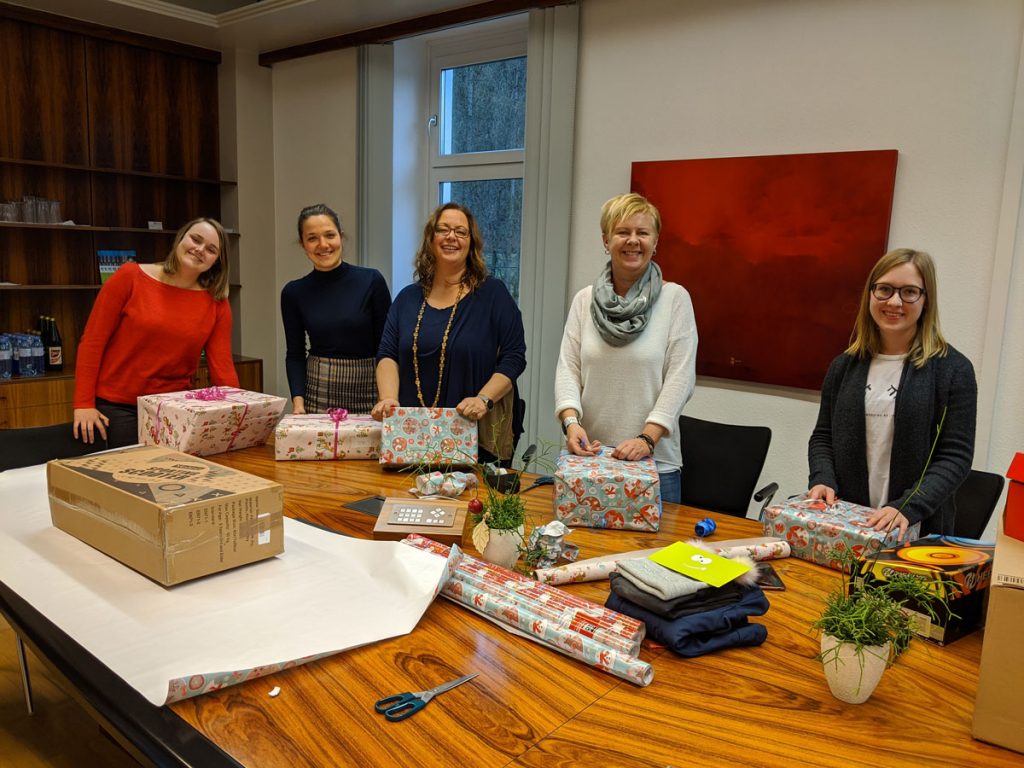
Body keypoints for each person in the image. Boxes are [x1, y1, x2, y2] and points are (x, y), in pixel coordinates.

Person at [808, 248, 977, 539]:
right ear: (870, 295)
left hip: (915, 531)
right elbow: (823, 436)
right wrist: (822, 478)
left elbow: (955, 457)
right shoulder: (843, 366)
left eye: (909, 292)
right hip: (848, 528)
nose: (894, 301)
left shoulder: (953, 370)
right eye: (884, 289)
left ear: (926, 300)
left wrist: (907, 507)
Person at [554, 192, 698, 504]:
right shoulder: (584, 300)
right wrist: (570, 422)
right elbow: (568, 368)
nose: (633, 241)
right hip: (589, 457)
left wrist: (648, 438)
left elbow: (680, 378)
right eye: (622, 232)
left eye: (642, 232)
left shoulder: (675, 300)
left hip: (655, 464)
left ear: (655, 241)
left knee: (652, 554)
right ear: (606, 241)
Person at [371, 202, 526, 465]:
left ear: (471, 243)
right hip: (412, 436)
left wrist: (483, 399)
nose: (451, 236)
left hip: (475, 436)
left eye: (460, 231)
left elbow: (514, 357)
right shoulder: (407, 299)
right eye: (443, 229)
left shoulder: (493, 294)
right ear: (431, 240)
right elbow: (387, 354)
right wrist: (388, 398)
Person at [73, 217, 239, 448]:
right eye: (195, 239)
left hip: (175, 408)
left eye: (211, 249)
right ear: (181, 238)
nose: (200, 250)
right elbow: (92, 342)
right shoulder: (129, 277)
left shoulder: (216, 302)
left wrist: (238, 415)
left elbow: (222, 366)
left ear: (217, 261)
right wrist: (83, 404)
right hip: (119, 405)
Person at [281, 204, 391, 414]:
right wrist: (298, 405)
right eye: (312, 238)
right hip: (318, 394)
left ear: (340, 236)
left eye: (329, 235)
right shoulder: (293, 292)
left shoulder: (372, 281)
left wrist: (386, 396)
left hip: (370, 391)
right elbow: (294, 353)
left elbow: (386, 347)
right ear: (303, 245)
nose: (323, 244)